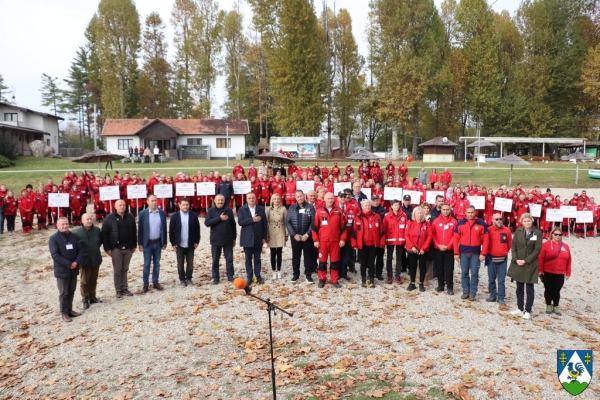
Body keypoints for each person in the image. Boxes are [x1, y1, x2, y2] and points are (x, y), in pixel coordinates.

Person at [507, 213, 543, 319]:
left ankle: (528, 310)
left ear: (532, 221)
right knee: (519, 287)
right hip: (518, 262)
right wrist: (516, 259)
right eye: (525, 221)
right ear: (521, 222)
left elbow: (537, 249)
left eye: (529, 221)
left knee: (529, 288)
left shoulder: (537, 233)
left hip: (530, 264)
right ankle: (519, 308)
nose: (527, 223)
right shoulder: (518, 231)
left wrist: (526, 260)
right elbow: (514, 246)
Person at [49, 217, 83, 323]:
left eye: (66, 224)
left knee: (71, 290)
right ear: (57, 225)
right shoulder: (54, 238)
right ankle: (64, 313)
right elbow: (55, 255)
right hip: (62, 270)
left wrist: (76, 262)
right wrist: (69, 264)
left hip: (74, 269)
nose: (65, 226)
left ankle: (69, 310)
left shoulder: (73, 236)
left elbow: (80, 250)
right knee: (64, 293)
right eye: (62, 224)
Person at [102, 199, 137, 299]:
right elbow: (105, 234)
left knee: (125, 269)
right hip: (115, 248)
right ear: (115, 206)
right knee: (117, 270)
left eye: (124, 205)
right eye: (120, 205)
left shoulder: (130, 217)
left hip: (128, 248)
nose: (122, 207)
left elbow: (134, 231)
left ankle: (125, 288)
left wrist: (134, 245)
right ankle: (118, 290)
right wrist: (107, 248)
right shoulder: (109, 218)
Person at [454, 205, 489, 301]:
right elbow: (456, 238)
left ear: (475, 212)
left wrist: (483, 253)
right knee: (464, 273)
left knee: (474, 273)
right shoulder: (460, 223)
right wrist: (456, 252)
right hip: (463, 253)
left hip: (476, 253)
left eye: (472, 212)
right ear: (465, 213)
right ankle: (466, 291)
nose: (470, 214)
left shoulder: (481, 223)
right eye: (468, 212)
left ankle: (473, 292)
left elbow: (486, 239)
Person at [312, 192, 347, 288]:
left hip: (335, 241)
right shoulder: (319, 211)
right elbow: (314, 227)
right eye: (328, 198)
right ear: (324, 199)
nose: (330, 200)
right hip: (323, 241)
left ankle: (334, 279)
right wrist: (316, 240)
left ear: (334, 199)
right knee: (322, 261)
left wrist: (342, 239)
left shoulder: (339, 211)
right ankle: (322, 279)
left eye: (331, 198)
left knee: (335, 261)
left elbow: (343, 227)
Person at [538, 227, 572, 316]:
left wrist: (568, 272)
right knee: (548, 289)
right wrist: (540, 270)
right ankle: (548, 305)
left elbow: (569, 260)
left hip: (560, 272)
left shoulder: (565, 246)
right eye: (555, 234)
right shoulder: (546, 244)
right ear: (552, 234)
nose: (557, 236)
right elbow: (541, 258)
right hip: (548, 271)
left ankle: (556, 305)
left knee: (557, 290)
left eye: (559, 234)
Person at [138, 194, 168, 293]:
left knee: (157, 263)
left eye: (155, 200)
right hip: (148, 243)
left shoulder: (162, 213)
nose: (154, 202)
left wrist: (164, 242)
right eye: (152, 201)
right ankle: (145, 284)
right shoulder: (143, 213)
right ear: (147, 202)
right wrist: (140, 243)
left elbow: (164, 228)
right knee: (147, 264)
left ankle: (155, 282)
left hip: (158, 242)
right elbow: (140, 230)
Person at [351, 200, 384, 288]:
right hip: (362, 244)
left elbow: (382, 231)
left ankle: (372, 279)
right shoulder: (357, 217)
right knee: (363, 263)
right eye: (365, 205)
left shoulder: (376, 217)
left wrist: (381, 242)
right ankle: (363, 279)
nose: (367, 207)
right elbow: (353, 232)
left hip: (373, 244)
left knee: (371, 262)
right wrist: (354, 244)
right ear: (362, 207)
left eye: (369, 205)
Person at [205, 194, 237, 284]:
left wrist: (234, 238)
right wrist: (219, 218)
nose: (220, 202)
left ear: (224, 201)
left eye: (222, 200)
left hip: (228, 239)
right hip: (215, 239)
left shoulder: (229, 210)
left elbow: (233, 225)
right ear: (214, 201)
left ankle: (230, 276)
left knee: (229, 259)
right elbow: (207, 223)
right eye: (218, 200)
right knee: (215, 259)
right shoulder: (211, 211)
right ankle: (216, 277)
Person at [74, 213, 104, 310]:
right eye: (87, 219)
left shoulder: (97, 230)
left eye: (91, 219)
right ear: (82, 221)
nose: (90, 221)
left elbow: (99, 242)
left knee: (93, 279)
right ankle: (85, 299)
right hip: (84, 260)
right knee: (84, 281)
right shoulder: (77, 233)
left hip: (95, 258)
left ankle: (92, 297)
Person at [169, 197, 201, 286]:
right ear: (179, 205)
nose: (185, 206)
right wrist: (173, 243)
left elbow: (197, 229)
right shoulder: (175, 216)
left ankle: (189, 278)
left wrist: (196, 241)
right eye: (183, 205)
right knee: (180, 263)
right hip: (179, 244)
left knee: (190, 262)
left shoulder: (193, 216)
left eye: (187, 205)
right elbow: (171, 230)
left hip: (190, 243)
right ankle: (182, 279)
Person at [238, 192, 268, 284]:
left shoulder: (260, 209)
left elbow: (264, 224)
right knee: (248, 259)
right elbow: (240, 222)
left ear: (255, 199)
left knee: (257, 258)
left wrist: (264, 237)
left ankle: (258, 276)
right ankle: (249, 277)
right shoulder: (242, 209)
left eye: (253, 198)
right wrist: (252, 219)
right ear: (246, 199)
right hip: (247, 238)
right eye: (249, 198)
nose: (251, 200)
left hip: (258, 238)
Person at [485, 213, 512, 305]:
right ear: (492, 220)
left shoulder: (507, 230)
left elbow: (509, 244)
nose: (499, 221)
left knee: (501, 280)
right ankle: (492, 295)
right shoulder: (488, 230)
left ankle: (501, 297)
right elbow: (485, 243)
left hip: (503, 259)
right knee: (491, 279)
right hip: (491, 258)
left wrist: (503, 252)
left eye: (500, 219)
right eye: (496, 219)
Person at [405, 206, 432, 292]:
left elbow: (429, 236)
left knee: (422, 266)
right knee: (412, 266)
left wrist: (424, 248)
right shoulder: (410, 222)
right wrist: (411, 246)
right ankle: (412, 283)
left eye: (421, 213)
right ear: (414, 214)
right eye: (418, 213)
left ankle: (421, 283)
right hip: (412, 248)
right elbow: (407, 235)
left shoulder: (427, 223)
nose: (419, 215)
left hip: (422, 249)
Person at [266, 193, 287, 280]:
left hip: (280, 230)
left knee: (279, 252)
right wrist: (266, 234)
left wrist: (286, 234)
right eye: (275, 199)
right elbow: (266, 222)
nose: (277, 200)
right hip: (271, 230)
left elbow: (286, 222)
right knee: (272, 252)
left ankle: (279, 270)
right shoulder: (268, 209)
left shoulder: (283, 209)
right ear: (272, 200)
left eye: (278, 199)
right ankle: (273, 270)